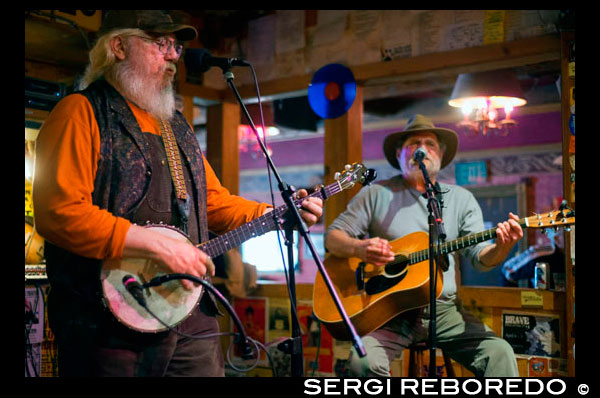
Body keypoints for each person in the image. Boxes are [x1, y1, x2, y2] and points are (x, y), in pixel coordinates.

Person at [32, 10, 323, 377]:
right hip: (107, 324)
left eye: (176, 46)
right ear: (119, 46)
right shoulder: (81, 112)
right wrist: (157, 245)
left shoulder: (174, 126)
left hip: (188, 314)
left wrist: (274, 214)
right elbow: (58, 212)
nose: (173, 55)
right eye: (160, 43)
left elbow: (212, 203)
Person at [325, 114, 523, 377]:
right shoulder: (375, 194)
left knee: (499, 354)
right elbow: (333, 237)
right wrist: (359, 249)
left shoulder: (461, 199)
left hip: (446, 312)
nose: (423, 149)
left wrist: (503, 246)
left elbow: (479, 256)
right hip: (389, 313)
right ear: (399, 154)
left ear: (440, 154)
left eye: (430, 144)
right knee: (363, 364)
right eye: (414, 142)